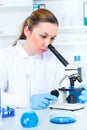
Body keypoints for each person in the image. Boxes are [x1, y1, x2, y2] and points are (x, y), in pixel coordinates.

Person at [0, 8, 86, 110]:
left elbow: (67, 84)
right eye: (43, 36)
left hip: (47, 121)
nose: (48, 43)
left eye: (52, 38)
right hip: (13, 122)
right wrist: (27, 101)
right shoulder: (5, 56)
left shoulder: (52, 57)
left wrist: (79, 91)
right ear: (27, 31)